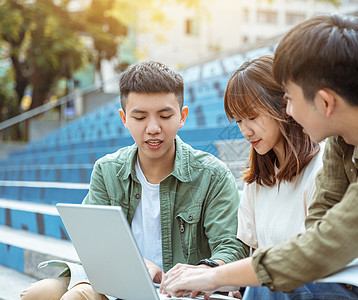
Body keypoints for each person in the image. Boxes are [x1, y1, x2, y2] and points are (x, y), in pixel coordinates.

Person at [160, 13, 358, 299]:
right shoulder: (345, 133)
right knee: (276, 287)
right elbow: (319, 225)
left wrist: (213, 276)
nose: (288, 111)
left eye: (289, 98)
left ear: (325, 102)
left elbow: (331, 242)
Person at [20, 60, 249, 300]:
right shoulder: (107, 170)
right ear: (124, 118)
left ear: (182, 116)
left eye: (164, 115)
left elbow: (230, 247)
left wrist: (202, 272)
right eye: (139, 117)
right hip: (118, 281)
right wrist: (138, 265)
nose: (152, 128)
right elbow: (94, 243)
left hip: (179, 292)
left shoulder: (212, 175)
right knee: (37, 294)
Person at [223, 55, 333, 299]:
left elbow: (317, 261)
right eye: (239, 120)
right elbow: (255, 258)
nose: (245, 130)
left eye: (252, 117)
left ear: (283, 105)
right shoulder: (257, 181)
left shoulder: (323, 168)